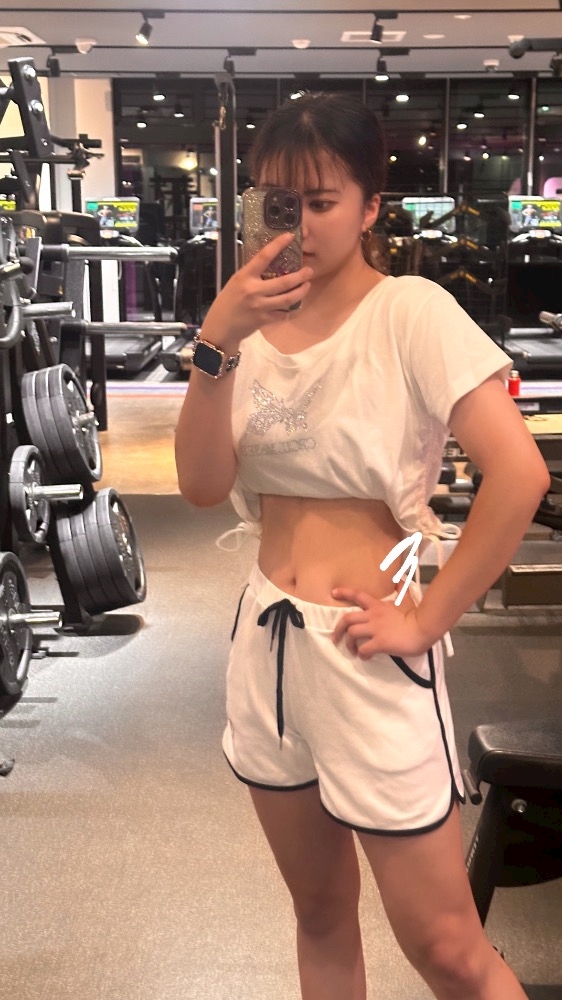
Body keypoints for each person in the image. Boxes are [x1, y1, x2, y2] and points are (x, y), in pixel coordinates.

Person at [175, 92, 550, 1000]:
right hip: (266, 647)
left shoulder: (410, 311)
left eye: (320, 201)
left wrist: (428, 618)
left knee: (446, 946)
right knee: (319, 915)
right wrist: (218, 340)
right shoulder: (244, 328)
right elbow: (201, 484)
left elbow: (520, 474)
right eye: (277, 201)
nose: (297, 224)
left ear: (371, 206)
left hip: (369, 651)